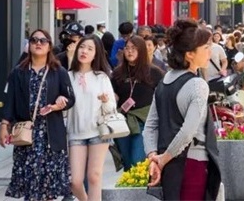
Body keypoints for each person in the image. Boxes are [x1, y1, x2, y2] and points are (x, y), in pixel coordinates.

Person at [143, 19, 222, 201]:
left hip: (170, 166)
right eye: (205, 48)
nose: (210, 52)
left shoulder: (164, 81)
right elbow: (187, 132)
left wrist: (154, 157)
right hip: (193, 163)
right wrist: (162, 160)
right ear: (189, 55)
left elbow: (150, 126)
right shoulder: (197, 85)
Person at [0, 29, 76, 201]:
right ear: (29, 45)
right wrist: (4, 126)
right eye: (34, 40)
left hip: (51, 135)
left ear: (49, 46)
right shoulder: (18, 72)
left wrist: (60, 103)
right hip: (27, 134)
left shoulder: (58, 71)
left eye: (43, 40)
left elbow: (71, 98)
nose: (38, 43)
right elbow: (9, 101)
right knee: (31, 186)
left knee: (49, 186)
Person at [67, 35, 116, 201]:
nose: (84, 51)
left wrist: (105, 101)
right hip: (75, 133)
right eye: (82, 47)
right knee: (75, 182)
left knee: (94, 176)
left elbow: (111, 109)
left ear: (96, 54)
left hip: (98, 132)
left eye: (90, 48)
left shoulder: (101, 77)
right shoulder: (68, 76)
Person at [111, 35, 164, 170]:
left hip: (143, 121)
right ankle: (132, 189)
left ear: (142, 50)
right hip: (122, 122)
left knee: (137, 160)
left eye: (134, 48)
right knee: (127, 161)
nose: (129, 51)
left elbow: (163, 96)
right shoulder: (117, 73)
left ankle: (139, 188)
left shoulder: (154, 72)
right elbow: (113, 95)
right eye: (127, 48)